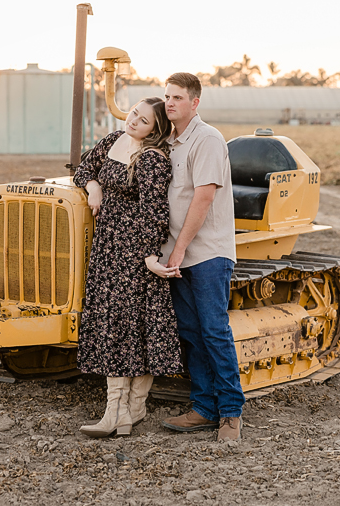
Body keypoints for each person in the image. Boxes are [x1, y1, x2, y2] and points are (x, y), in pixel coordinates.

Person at [72, 97, 183, 438]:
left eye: (144, 120)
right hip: (107, 248)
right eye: (134, 112)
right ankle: (125, 413)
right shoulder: (113, 140)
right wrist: (93, 187)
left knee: (131, 328)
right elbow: (83, 169)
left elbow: (155, 212)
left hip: (134, 251)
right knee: (116, 325)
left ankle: (124, 411)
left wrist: (149, 255)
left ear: (155, 130)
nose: (134, 120)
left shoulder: (152, 159)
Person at [159, 72, 245, 441]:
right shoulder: (168, 143)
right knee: (192, 333)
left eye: (178, 97)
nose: (170, 103)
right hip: (177, 254)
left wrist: (178, 249)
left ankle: (231, 413)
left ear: (195, 102)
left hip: (207, 252)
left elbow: (204, 196)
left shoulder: (207, 139)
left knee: (214, 331)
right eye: (167, 96)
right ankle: (204, 408)